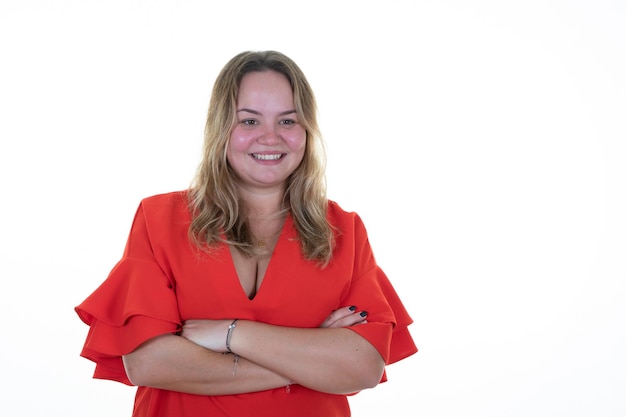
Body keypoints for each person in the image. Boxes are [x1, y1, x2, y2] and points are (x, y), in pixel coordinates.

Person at [75, 50, 417, 417]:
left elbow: (363, 367)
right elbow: (148, 363)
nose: (270, 137)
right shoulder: (158, 219)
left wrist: (231, 334)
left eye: (288, 121)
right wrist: (310, 355)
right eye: (250, 121)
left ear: (307, 130)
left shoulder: (345, 231)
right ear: (221, 127)